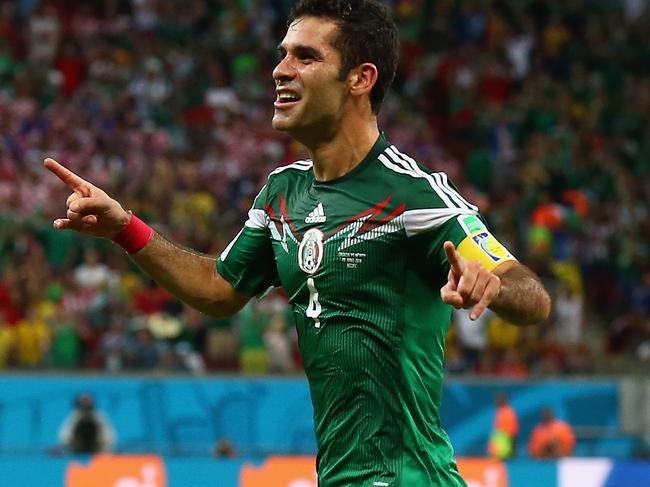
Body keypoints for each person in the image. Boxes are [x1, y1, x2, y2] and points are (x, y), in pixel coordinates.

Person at [43, 1, 550, 485]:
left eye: (305, 57)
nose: (280, 70)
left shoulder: (415, 196)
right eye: (283, 54)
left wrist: (494, 285)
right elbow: (219, 289)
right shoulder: (282, 194)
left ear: (360, 78)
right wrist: (124, 228)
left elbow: (530, 293)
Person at [487, 392, 520, 460]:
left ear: (504, 400)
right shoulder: (499, 411)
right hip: (497, 450)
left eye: (499, 400)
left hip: (504, 450)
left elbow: (513, 432)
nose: (496, 402)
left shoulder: (508, 413)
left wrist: (513, 449)